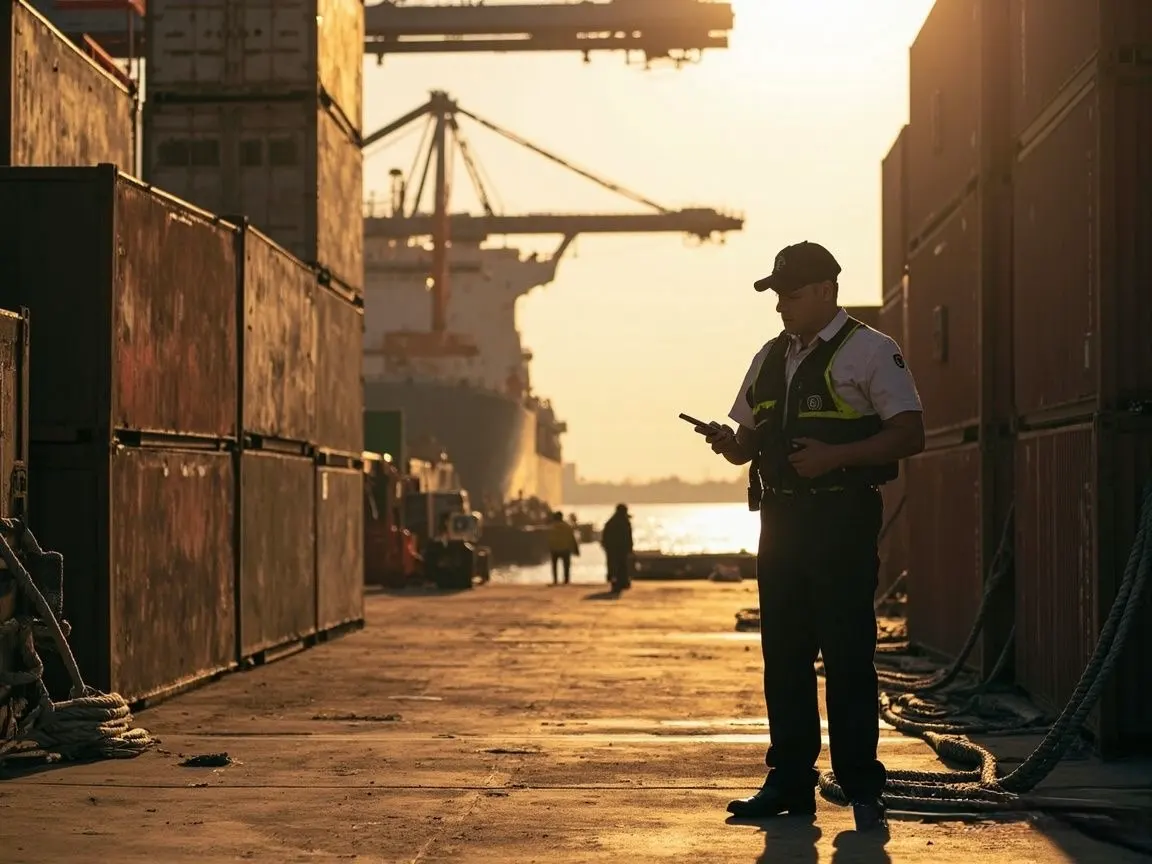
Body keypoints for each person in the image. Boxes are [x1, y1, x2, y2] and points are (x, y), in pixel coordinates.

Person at [697, 241, 924, 832]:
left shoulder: (872, 353)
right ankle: (790, 780)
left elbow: (909, 433)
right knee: (785, 656)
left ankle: (861, 786)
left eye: (790, 295)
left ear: (826, 291)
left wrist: (835, 458)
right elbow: (749, 439)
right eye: (775, 295)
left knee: (849, 655)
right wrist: (730, 443)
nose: (780, 307)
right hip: (781, 524)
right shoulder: (770, 357)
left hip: (842, 518)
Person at [601, 504, 634, 594]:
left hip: (612, 548)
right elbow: (628, 536)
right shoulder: (625, 522)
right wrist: (630, 547)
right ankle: (622, 582)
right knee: (622, 565)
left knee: (613, 566)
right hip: (621, 548)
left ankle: (615, 582)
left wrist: (605, 546)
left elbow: (605, 536)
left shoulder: (611, 522)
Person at [546, 510, 580, 585]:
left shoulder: (552, 526)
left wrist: (549, 547)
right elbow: (572, 538)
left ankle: (555, 580)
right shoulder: (567, 526)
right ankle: (566, 580)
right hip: (565, 548)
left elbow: (548, 538)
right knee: (566, 565)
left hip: (555, 549)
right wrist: (575, 549)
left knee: (554, 566)